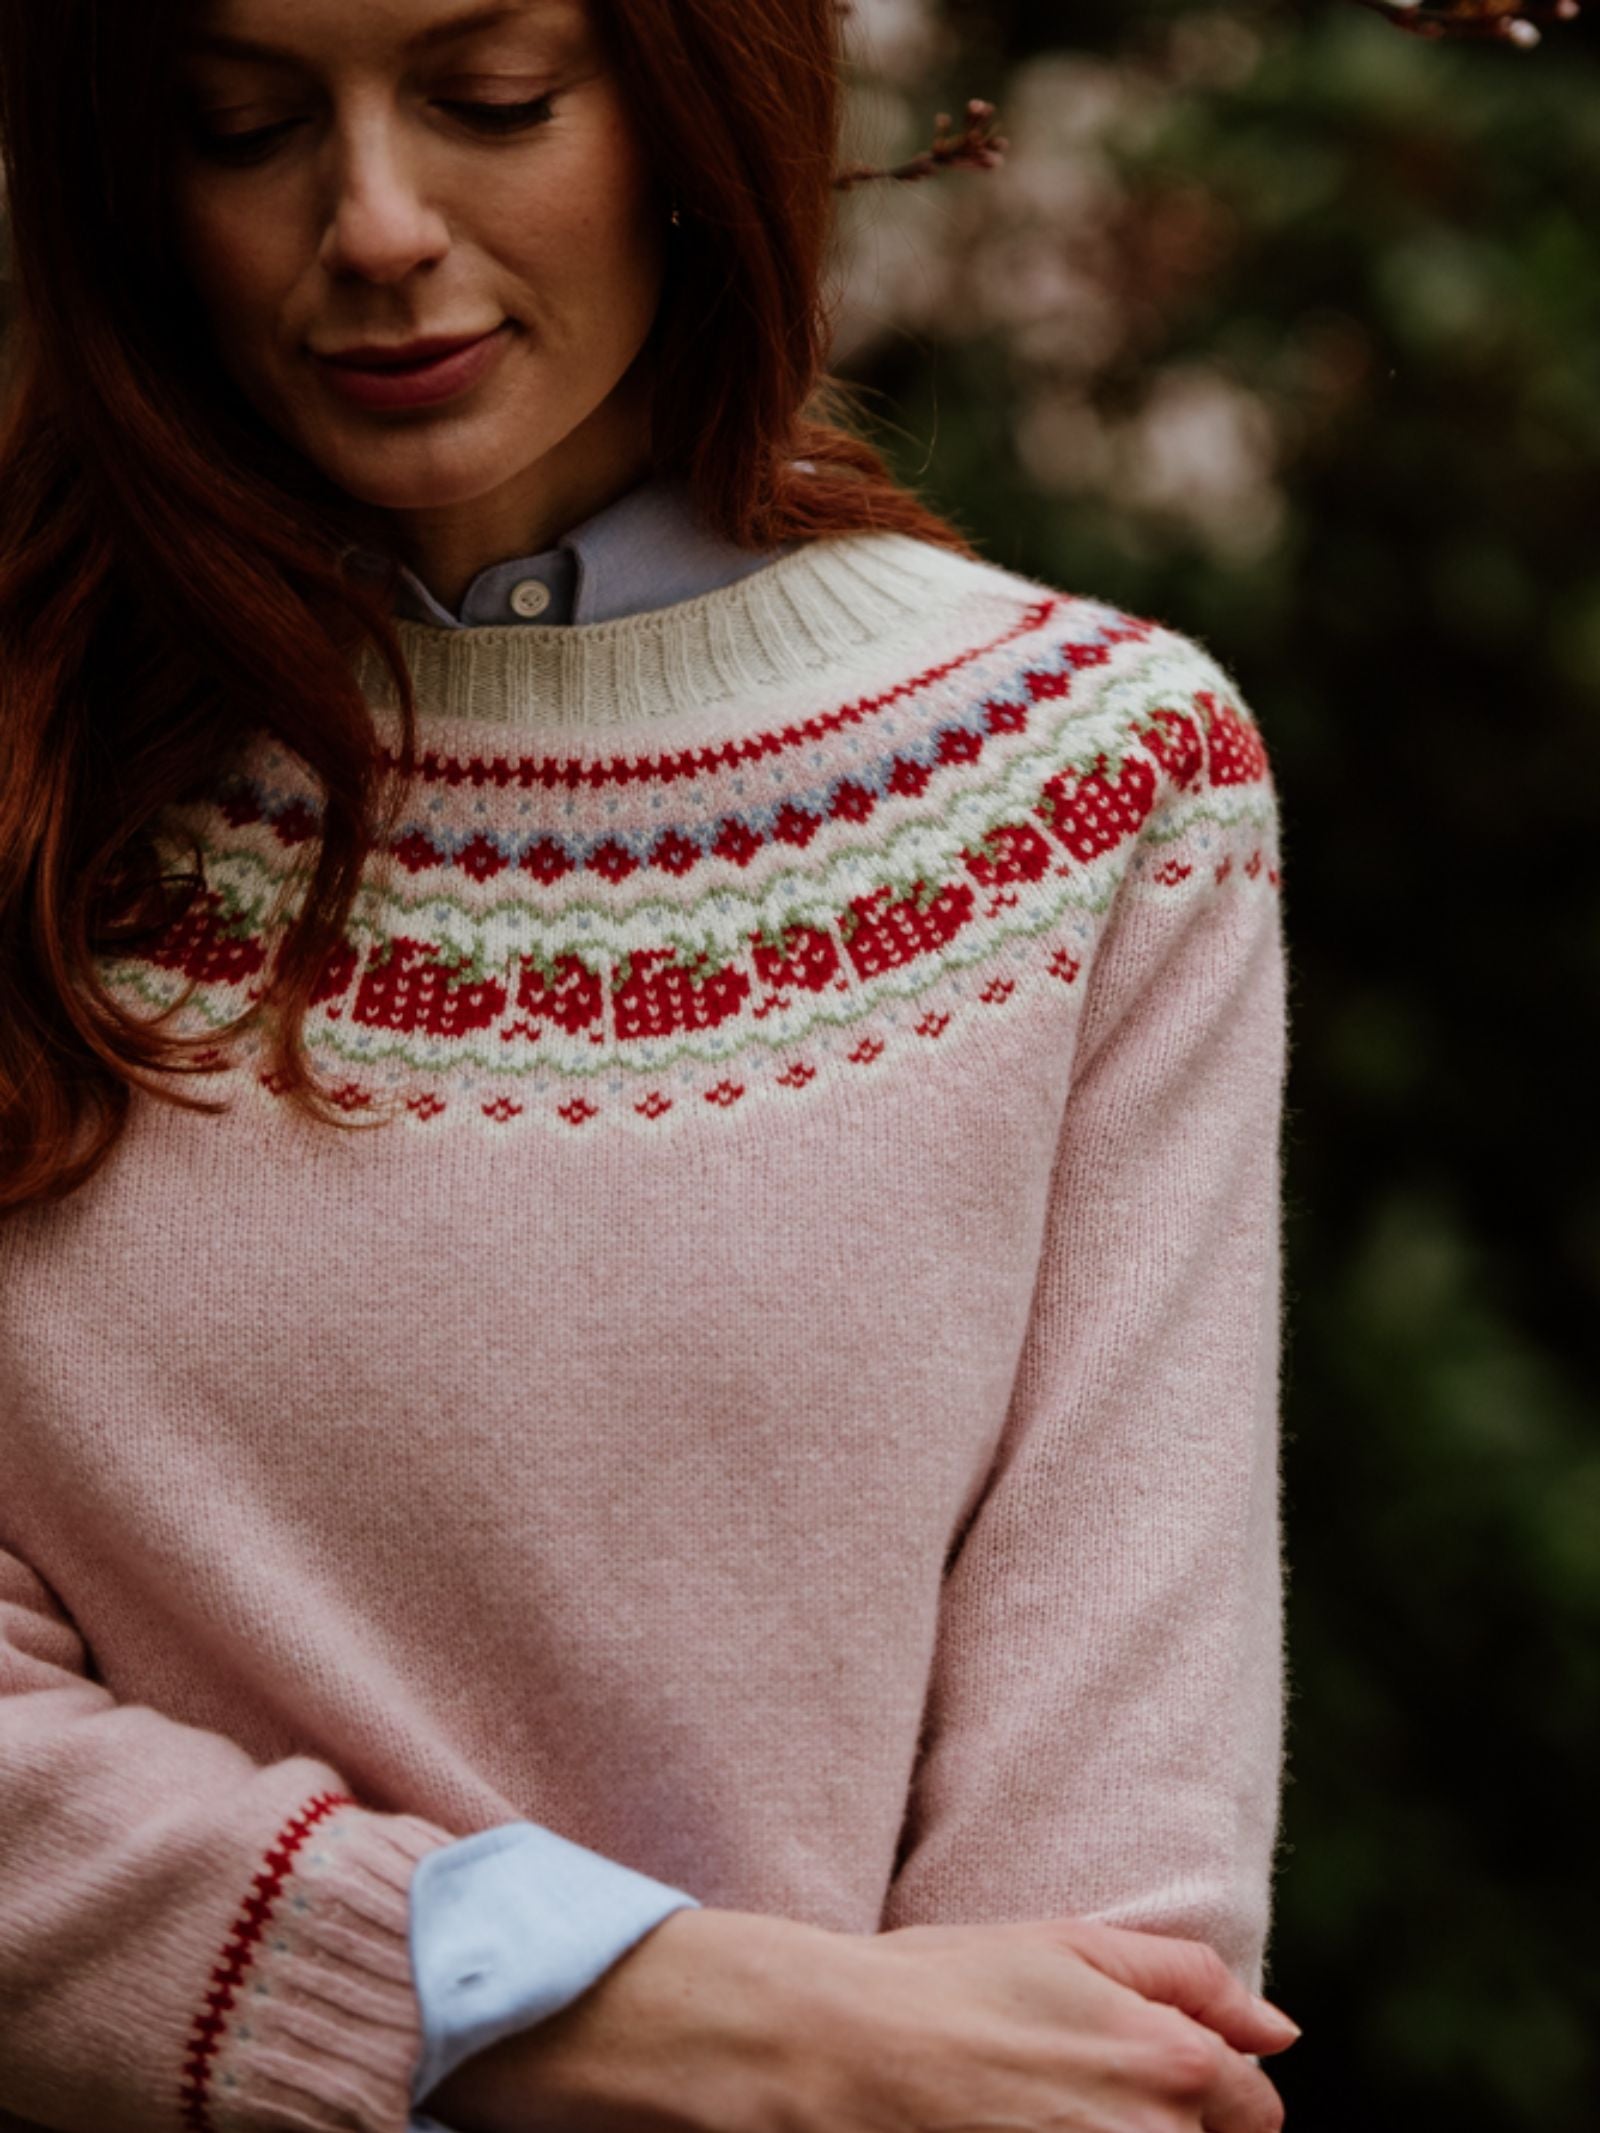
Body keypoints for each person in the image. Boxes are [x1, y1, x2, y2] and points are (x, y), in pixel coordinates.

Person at [0, 2, 1296, 2131]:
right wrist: (592, 2005)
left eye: (492, 98)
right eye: (236, 126)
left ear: (697, 93)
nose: (378, 225)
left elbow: (1104, 1943)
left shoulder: (1088, 785)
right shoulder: (40, 788)